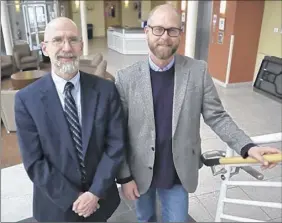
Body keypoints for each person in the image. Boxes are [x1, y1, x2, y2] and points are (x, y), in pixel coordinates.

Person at [115, 4, 281, 222]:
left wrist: (248, 146)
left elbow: (217, 117)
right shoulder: (126, 78)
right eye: (158, 29)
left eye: (172, 30)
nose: (165, 37)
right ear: (147, 31)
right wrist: (125, 177)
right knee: (145, 218)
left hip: (177, 170)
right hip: (139, 170)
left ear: (180, 35)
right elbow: (117, 133)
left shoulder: (197, 71)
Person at [15, 17, 125, 222]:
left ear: (81, 46)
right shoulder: (26, 100)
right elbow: (34, 162)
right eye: (57, 40)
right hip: (56, 206)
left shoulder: (106, 90)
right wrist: (74, 199)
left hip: (100, 201)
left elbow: (115, 144)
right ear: (45, 48)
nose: (66, 47)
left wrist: (94, 194)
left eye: (73, 40)